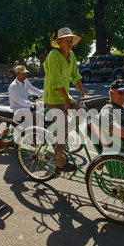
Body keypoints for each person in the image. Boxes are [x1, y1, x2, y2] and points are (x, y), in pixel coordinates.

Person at [43, 27, 85, 173]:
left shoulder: (71, 55)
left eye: (71, 40)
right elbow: (56, 80)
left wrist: (83, 94)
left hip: (65, 96)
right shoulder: (53, 55)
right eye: (66, 40)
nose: (69, 43)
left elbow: (75, 76)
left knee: (81, 116)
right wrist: (66, 99)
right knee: (64, 124)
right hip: (53, 98)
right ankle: (59, 161)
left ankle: (57, 133)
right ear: (59, 42)